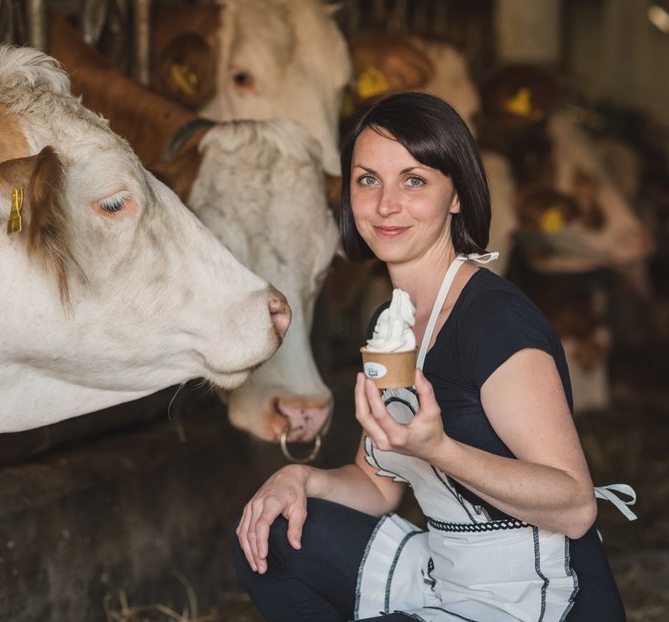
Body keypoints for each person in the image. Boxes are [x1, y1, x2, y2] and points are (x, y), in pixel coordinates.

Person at [232, 92, 634, 621]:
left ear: (457, 196)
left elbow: (576, 506)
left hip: (538, 594)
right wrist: (298, 479)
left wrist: (440, 448)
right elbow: (377, 485)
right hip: (448, 570)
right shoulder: (391, 322)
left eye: (414, 180)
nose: (385, 204)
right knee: (269, 536)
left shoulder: (494, 322)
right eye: (367, 179)